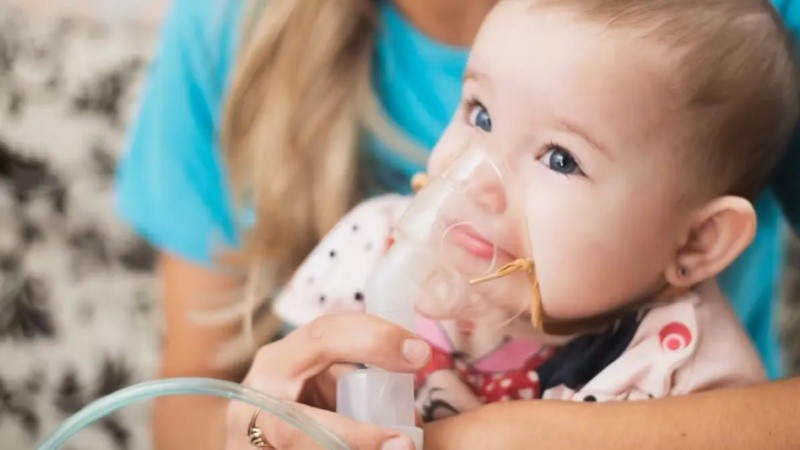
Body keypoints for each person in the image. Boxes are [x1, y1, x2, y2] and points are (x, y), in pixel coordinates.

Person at [116, 0, 800, 448]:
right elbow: (195, 403)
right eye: (479, 114)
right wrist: (267, 427)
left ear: (696, 242)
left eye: (560, 158)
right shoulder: (368, 253)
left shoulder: (685, 367)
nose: (476, 177)